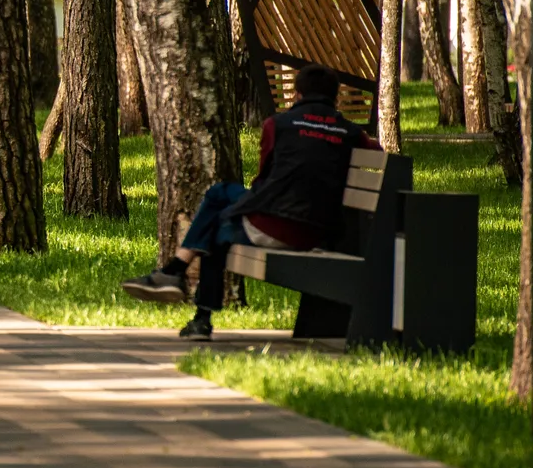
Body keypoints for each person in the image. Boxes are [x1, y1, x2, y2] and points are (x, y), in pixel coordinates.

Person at [122, 64, 381, 339]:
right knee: (220, 194)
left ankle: (191, 301)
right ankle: (175, 273)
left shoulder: (278, 125)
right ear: (336, 97)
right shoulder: (351, 133)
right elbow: (377, 152)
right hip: (320, 230)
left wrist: (237, 212)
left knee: (216, 228)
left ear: (296, 94)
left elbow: (263, 182)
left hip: (278, 227)